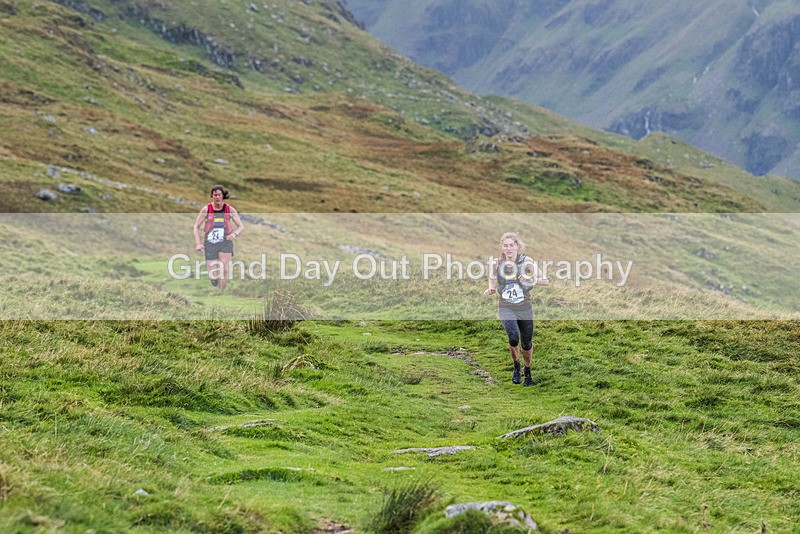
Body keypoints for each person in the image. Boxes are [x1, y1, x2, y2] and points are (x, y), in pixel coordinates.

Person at [484, 232, 549, 386]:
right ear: (502, 247)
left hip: (525, 307)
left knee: (526, 343)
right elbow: (492, 277)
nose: (508, 248)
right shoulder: (497, 263)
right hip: (506, 307)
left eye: (511, 245)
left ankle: (527, 372)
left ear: (517, 246)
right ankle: (516, 367)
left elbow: (545, 280)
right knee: (513, 337)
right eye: (505, 245)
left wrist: (529, 278)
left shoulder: (526, 261)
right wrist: (491, 288)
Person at [192, 185, 244, 290]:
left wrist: (234, 234)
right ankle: (214, 280)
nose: (217, 197)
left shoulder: (230, 209)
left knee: (224, 270)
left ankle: (221, 293)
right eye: (215, 195)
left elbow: (241, 226)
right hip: (210, 242)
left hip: (226, 241)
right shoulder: (206, 209)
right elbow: (196, 227)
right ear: (212, 196)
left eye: (219, 195)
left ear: (223, 196)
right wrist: (198, 243)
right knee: (213, 273)